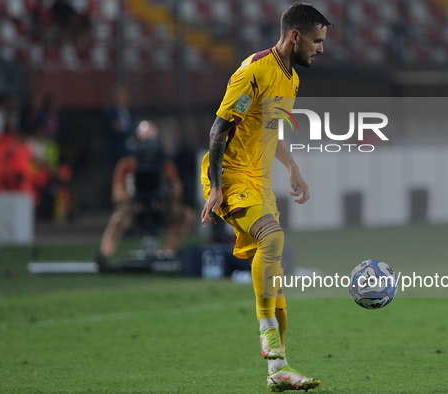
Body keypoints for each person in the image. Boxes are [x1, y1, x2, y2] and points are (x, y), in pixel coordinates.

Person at [200, 3, 331, 391]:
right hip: (230, 176)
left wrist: (292, 167)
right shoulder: (254, 71)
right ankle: (266, 333)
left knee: (277, 288)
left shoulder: (290, 79)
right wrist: (217, 185)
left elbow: (271, 130)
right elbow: (218, 130)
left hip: (259, 182)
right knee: (272, 238)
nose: (321, 49)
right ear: (295, 36)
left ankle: (279, 370)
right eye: (317, 40)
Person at [96, 121, 182, 270]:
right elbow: (116, 196)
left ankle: (167, 252)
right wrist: (137, 195)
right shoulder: (126, 165)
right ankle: (104, 257)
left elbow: (178, 192)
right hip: (135, 211)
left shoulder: (165, 165)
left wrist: (167, 192)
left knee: (185, 215)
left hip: (160, 210)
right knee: (117, 219)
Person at [103, 86, 134, 168]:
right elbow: (116, 127)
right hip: (116, 151)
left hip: (129, 151)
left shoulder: (129, 112)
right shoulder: (109, 112)